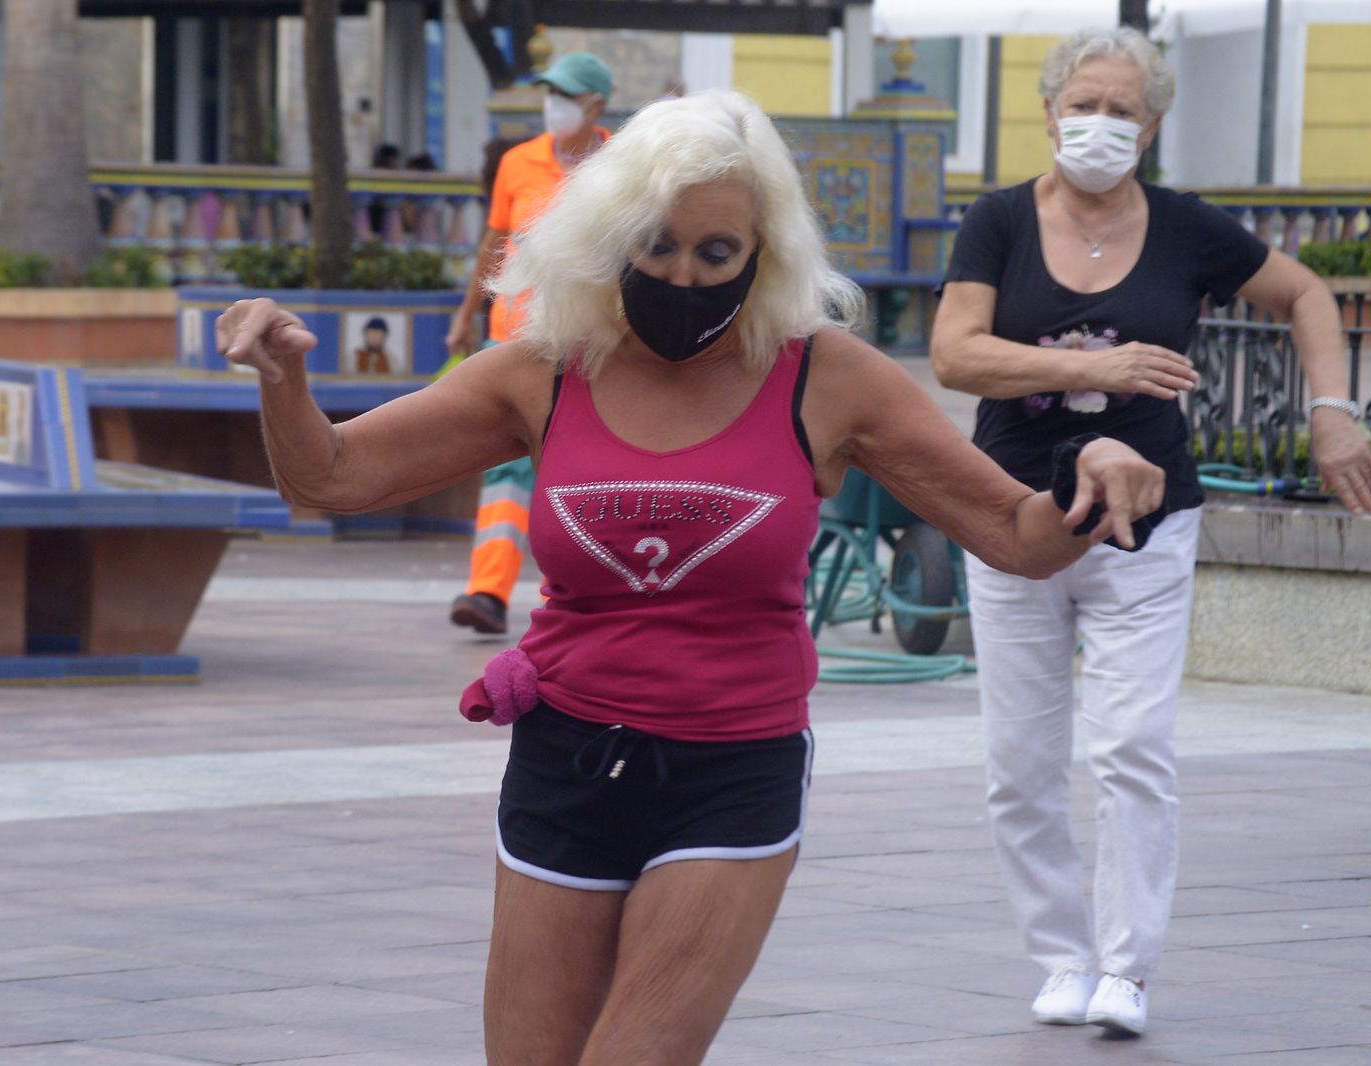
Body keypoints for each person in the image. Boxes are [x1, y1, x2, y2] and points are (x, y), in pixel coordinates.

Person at [217, 88, 1167, 1066]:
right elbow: (330, 477)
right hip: (564, 760)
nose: (682, 272)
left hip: (731, 772)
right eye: (656, 244)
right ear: (608, 237)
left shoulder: (825, 377)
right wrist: (284, 380)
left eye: (716, 253)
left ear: (764, 256)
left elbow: (1014, 534)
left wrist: (1088, 478)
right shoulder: (544, 369)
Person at [931, 27, 1371, 1038]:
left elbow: (1303, 291)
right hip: (1012, 509)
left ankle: (1125, 970)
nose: (1099, 124)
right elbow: (955, 355)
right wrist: (1097, 367)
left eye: (1122, 109)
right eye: (1082, 104)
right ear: (1048, 113)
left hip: (1150, 519)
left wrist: (1329, 410)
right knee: (1021, 758)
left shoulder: (1186, 228)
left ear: (1153, 125)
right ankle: (1057, 956)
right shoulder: (998, 220)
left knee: (1132, 743)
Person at [444, 52, 612, 635]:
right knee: (506, 473)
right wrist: (466, 316)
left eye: (566, 95)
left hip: (584, 344)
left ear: (596, 104)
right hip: (510, 341)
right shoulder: (519, 163)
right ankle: (487, 593)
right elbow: (494, 247)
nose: (554, 105)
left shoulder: (621, 167)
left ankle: (565, 598)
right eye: (551, 93)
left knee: (575, 473)